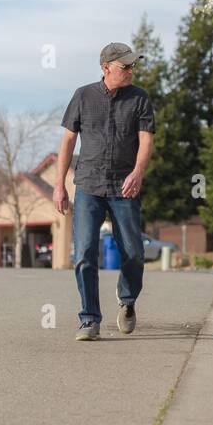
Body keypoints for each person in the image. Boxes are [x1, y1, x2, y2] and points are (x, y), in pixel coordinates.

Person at [54, 42, 156, 342]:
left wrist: (138, 172)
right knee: (84, 254)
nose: (131, 71)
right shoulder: (83, 96)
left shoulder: (140, 99)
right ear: (106, 67)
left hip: (125, 186)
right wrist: (59, 184)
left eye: (132, 66)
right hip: (88, 185)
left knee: (135, 253)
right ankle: (89, 319)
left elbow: (146, 140)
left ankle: (127, 300)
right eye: (125, 66)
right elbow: (68, 142)